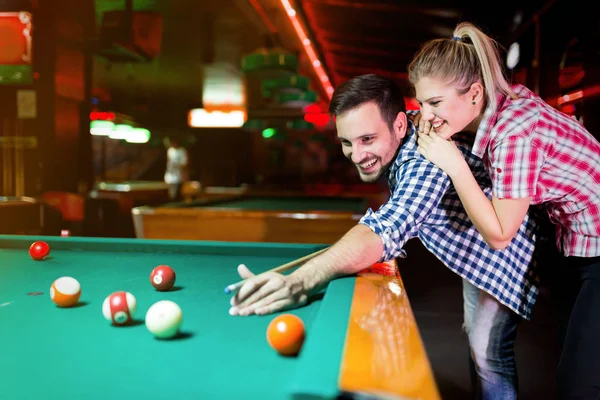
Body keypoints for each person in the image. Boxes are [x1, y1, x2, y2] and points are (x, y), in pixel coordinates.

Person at [228, 73, 541, 399]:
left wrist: (299, 281)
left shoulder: (424, 158)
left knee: (488, 354)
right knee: (478, 346)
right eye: (347, 142)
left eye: (367, 139)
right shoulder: (411, 133)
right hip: (477, 252)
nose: (356, 155)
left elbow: (389, 226)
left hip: (504, 253)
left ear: (400, 126)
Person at [407, 22, 600, 399]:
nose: (426, 115)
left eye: (434, 103)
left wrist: (454, 164)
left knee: (579, 384)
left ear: (475, 93)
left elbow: (499, 234)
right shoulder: (499, 106)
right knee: (573, 359)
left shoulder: (514, 133)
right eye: (420, 104)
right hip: (574, 243)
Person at [163, 137, 189, 201]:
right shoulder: (170, 151)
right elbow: (169, 162)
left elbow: (185, 164)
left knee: (177, 195)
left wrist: (176, 165)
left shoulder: (182, 151)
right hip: (170, 176)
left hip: (178, 177)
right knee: (170, 195)